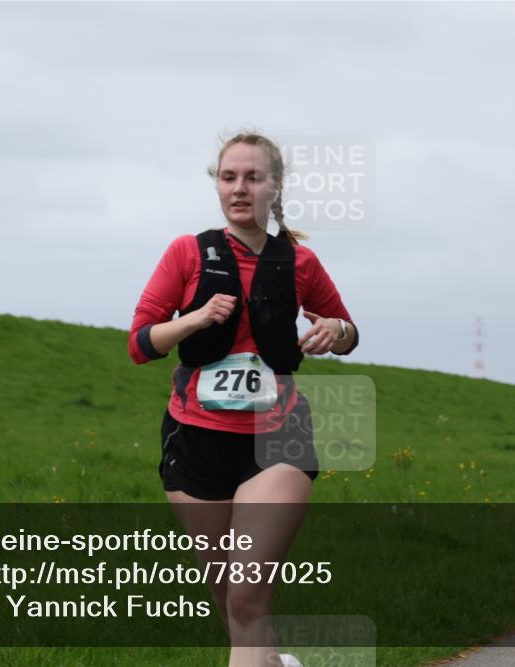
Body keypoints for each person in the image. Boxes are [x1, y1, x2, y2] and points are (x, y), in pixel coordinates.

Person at [129, 132, 359, 666]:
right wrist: (194, 319)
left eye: (253, 178)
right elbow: (140, 344)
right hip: (196, 441)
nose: (239, 188)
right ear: (217, 183)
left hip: (278, 440)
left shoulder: (299, 262)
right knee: (230, 601)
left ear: (274, 187)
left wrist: (336, 332)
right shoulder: (187, 252)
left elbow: (346, 329)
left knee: (247, 596)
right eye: (229, 177)